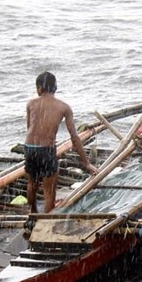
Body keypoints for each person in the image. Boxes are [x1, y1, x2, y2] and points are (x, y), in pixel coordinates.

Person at [24, 71, 98, 213]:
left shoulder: (31, 104)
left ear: (39, 88)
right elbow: (74, 138)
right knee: (49, 190)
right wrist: (86, 163)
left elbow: (30, 128)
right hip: (46, 149)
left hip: (29, 147)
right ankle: (47, 215)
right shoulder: (64, 107)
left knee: (32, 183)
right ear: (55, 88)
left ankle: (32, 212)